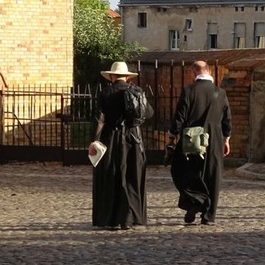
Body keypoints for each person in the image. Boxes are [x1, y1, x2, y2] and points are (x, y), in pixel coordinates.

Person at [89, 61, 152, 230]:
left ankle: (111, 218)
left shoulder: (106, 92)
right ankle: (133, 217)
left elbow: (99, 119)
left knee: (112, 176)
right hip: (133, 138)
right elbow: (149, 113)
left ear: (111, 76)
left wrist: (94, 140)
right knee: (132, 176)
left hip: (111, 138)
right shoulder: (137, 91)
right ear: (127, 77)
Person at [167, 61, 232, 225]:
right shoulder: (220, 92)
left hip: (192, 139)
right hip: (215, 139)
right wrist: (227, 139)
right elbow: (227, 119)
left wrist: (172, 136)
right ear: (209, 71)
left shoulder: (189, 90)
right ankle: (209, 216)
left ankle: (196, 201)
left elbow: (180, 116)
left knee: (183, 171)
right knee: (212, 175)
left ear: (193, 73)